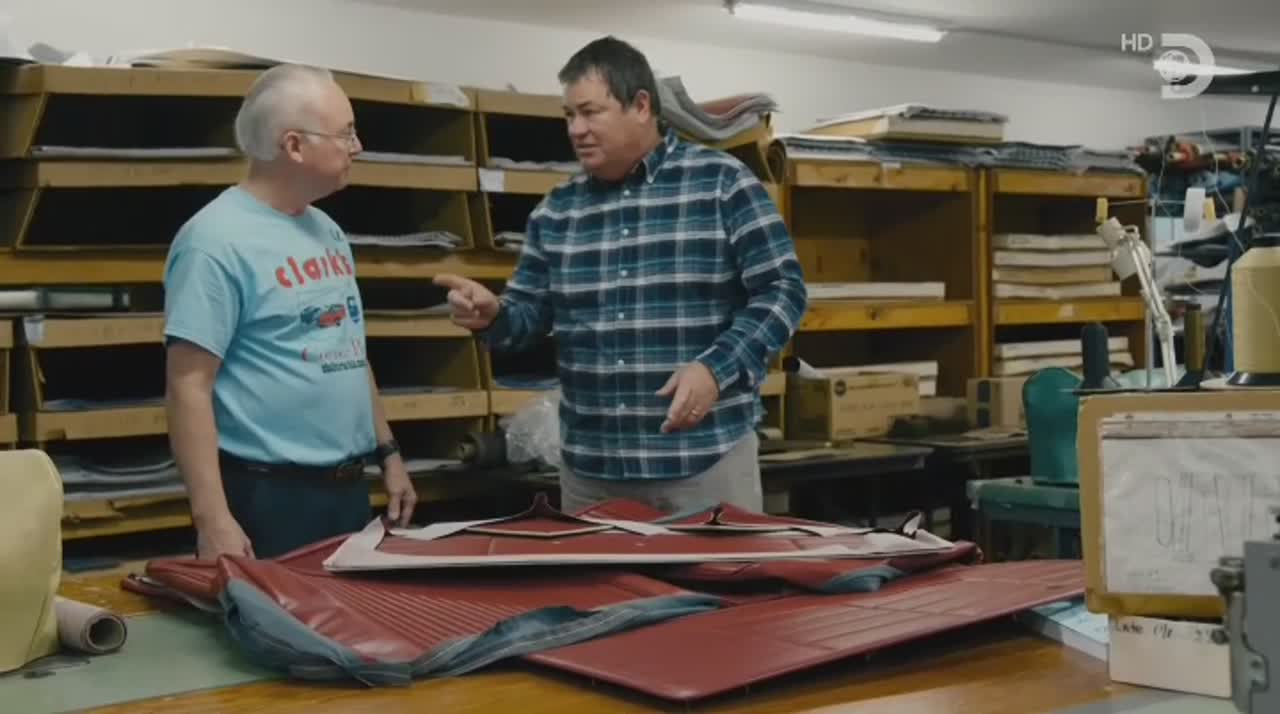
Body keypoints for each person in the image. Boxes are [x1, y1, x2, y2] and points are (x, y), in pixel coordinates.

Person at [435, 36, 807, 514]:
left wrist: (716, 368)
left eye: (591, 112)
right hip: (592, 476)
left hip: (703, 465)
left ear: (641, 106)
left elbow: (783, 290)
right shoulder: (557, 211)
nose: (577, 130)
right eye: (569, 115)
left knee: (719, 568)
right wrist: (494, 316)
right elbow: (527, 318)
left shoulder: (722, 184)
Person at [163, 63, 416, 560]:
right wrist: (213, 519)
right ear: (294, 145)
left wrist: (388, 454)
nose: (357, 146)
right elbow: (188, 386)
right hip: (269, 496)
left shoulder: (327, 230)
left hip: (347, 487)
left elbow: (348, 350)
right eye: (345, 133)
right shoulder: (214, 242)